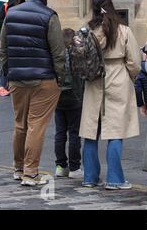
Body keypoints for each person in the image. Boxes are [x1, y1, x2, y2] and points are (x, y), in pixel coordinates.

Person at [0, 0, 65, 186]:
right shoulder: (49, 16)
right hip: (43, 80)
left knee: (20, 125)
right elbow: (58, 53)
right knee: (36, 125)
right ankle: (30, 173)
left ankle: (18, 169)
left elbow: (3, 50)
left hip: (17, 79)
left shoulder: (11, 13)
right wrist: (60, 79)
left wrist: (8, 74)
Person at [79, 0, 141, 190]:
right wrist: (130, 77)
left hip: (94, 80)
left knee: (90, 132)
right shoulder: (123, 30)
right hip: (117, 78)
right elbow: (134, 62)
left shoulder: (88, 31)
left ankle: (90, 176)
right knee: (116, 131)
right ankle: (115, 179)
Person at [54, 28, 84, 179]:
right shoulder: (76, 53)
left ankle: (60, 166)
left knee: (60, 133)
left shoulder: (56, 53)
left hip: (58, 95)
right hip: (74, 95)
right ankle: (74, 167)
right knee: (74, 133)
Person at [0, 0, 25, 97]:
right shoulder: (5, 7)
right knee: (4, 63)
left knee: (11, 64)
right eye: (17, 0)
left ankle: (8, 86)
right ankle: (2, 87)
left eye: (20, 0)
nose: (18, 2)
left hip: (13, 41)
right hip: (3, 40)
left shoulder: (21, 8)